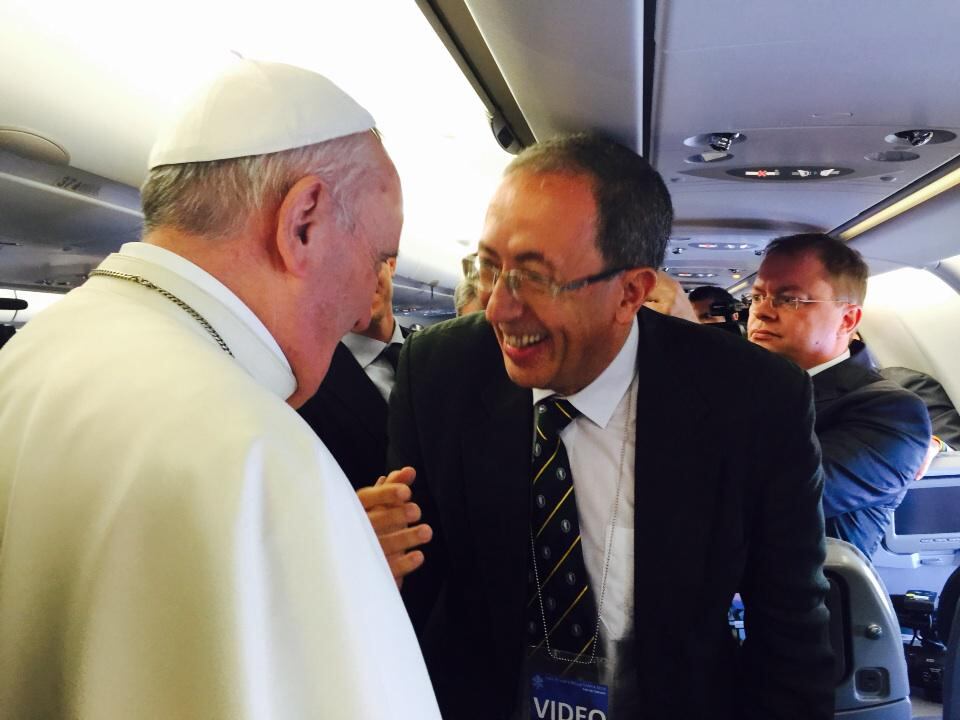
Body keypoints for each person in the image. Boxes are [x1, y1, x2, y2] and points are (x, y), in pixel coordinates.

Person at [0, 59, 438, 719]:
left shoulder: (30, 354)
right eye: (377, 257)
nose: (362, 308)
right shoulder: (259, 453)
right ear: (304, 222)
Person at [388, 133, 833, 719]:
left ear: (631, 292)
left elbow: (792, 633)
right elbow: (417, 586)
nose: (498, 307)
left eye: (535, 277)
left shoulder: (754, 399)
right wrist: (364, 558)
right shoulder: (438, 371)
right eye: (490, 266)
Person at [747, 233, 932, 557]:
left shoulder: (892, 412)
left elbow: (770, 499)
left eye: (789, 299)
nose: (762, 312)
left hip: (802, 588)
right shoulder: (745, 384)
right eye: (758, 296)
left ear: (848, 319)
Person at [298, 256, 411, 489]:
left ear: (391, 264)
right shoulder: (306, 385)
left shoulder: (438, 353)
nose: (359, 281)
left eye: (369, 261)